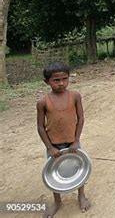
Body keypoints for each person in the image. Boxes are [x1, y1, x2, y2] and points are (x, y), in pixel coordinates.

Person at [37, 61, 91, 217]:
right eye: (56, 80)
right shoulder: (42, 102)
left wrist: (76, 141)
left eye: (65, 79)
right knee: (54, 173)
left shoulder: (75, 96)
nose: (61, 83)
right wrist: (50, 147)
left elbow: (80, 118)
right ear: (46, 81)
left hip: (73, 142)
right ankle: (57, 201)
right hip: (54, 145)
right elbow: (41, 127)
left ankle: (81, 195)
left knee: (79, 168)